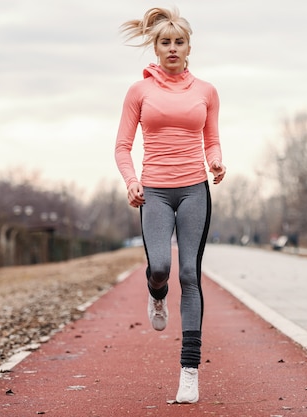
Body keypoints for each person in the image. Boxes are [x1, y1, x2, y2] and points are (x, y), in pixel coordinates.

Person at [115, 7, 226, 404]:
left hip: (195, 189)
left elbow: (211, 139)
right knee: (161, 267)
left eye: (179, 42)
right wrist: (132, 182)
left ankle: (189, 371)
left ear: (189, 47)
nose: (173, 48)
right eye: (166, 42)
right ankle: (155, 292)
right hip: (156, 193)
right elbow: (123, 146)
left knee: (190, 275)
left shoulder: (206, 91)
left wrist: (215, 160)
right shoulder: (139, 92)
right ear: (156, 47)